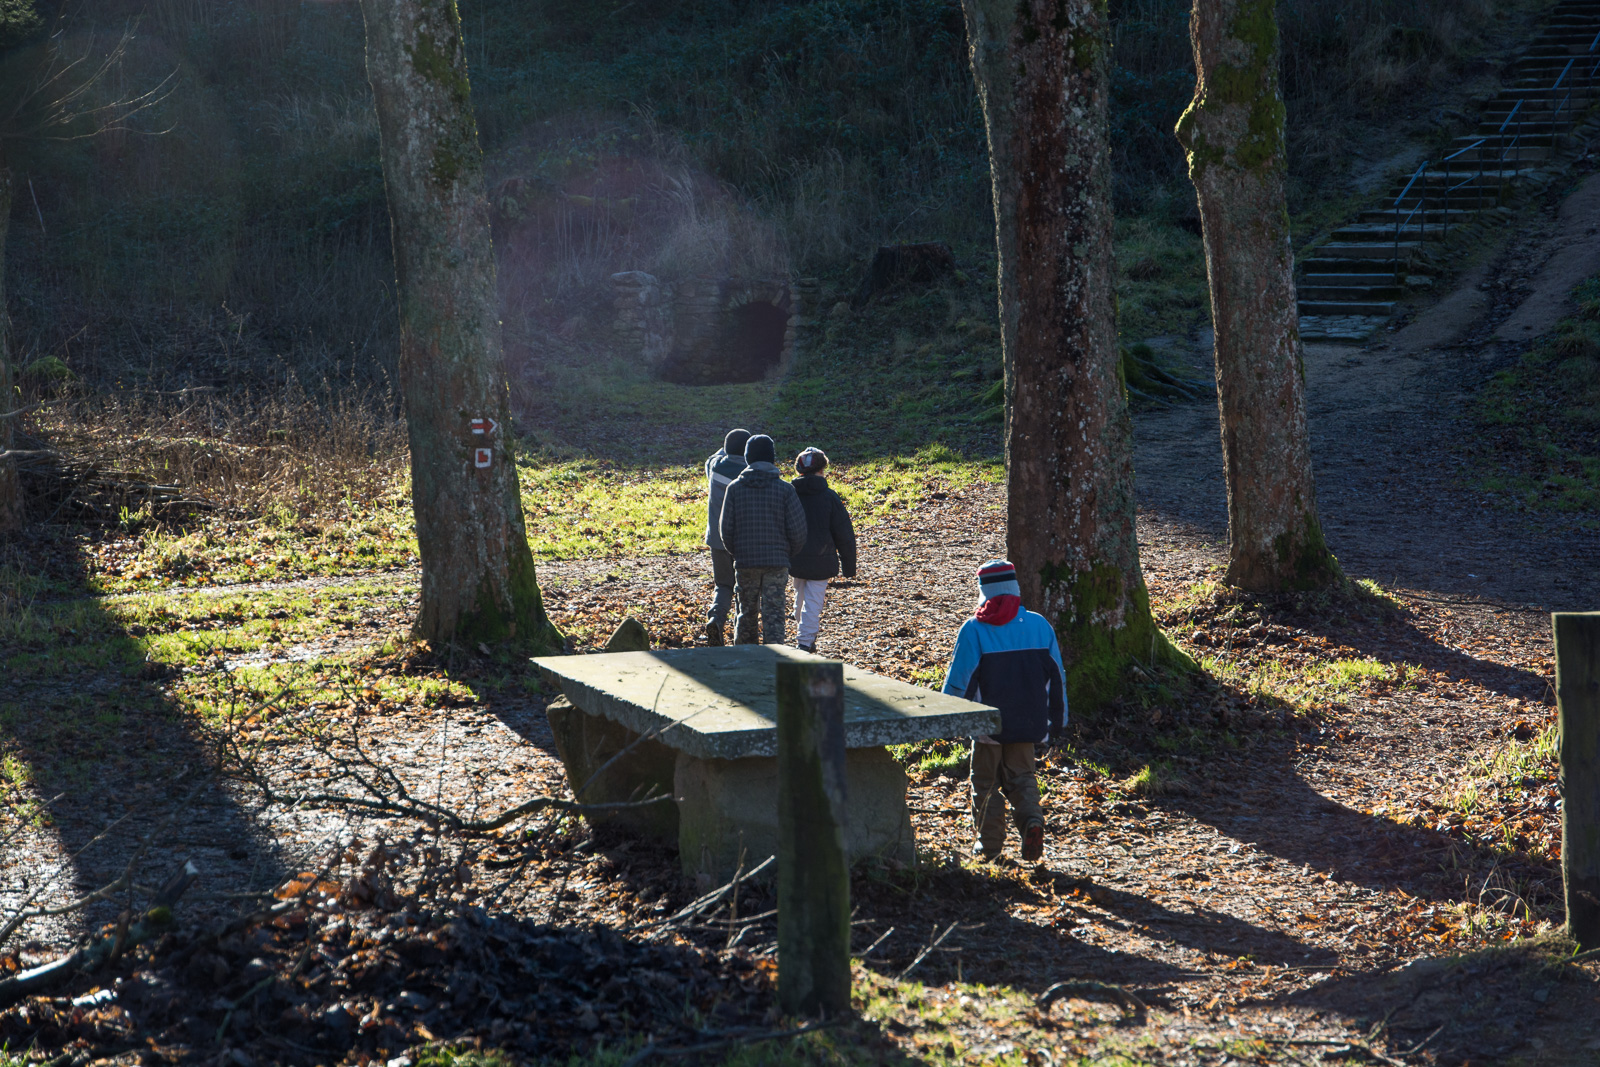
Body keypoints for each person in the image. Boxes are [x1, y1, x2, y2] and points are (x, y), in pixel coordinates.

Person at [940, 560, 1067, 863]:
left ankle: (989, 847)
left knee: (985, 785)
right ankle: (1032, 823)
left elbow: (960, 680)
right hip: (1028, 722)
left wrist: (947, 717)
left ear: (983, 591)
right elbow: (1057, 678)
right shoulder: (1039, 626)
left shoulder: (974, 630)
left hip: (988, 727)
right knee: (1023, 777)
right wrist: (1057, 720)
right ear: (1015, 589)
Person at [718, 434, 807, 645]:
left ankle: (745, 656)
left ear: (747, 458)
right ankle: (774, 656)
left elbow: (726, 530)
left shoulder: (735, 489)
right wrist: (785, 553)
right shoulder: (785, 489)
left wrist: (738, 552)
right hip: (776, 562)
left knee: (746, 611)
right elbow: (798, 530)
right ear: (772, 458)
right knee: (774, 613)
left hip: (746, 560)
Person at [787, 447, 857, 654]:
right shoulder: (829, 497)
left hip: (794, 557)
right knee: (813, 601)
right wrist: (849, 566)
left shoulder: (789, 495)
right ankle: (805, 641)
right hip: (822, 557)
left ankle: (803, 632)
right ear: (822, 470)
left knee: (799, 596)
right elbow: (844, 533)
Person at [702, 428, 751, 646]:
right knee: (744, 586)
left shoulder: (715, 467)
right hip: (743, 540)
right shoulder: (749, 472)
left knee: (723, 585)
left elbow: (711, 458)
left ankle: (716, 618)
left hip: (717, 539)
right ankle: (741, 633)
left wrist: (725, 447)